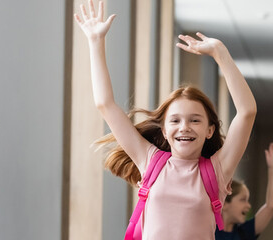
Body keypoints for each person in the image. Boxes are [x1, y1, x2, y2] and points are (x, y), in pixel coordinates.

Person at [75, 0, 256, 239]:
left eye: (195, 120)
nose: (184, 127)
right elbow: (105, 105)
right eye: (175, 121)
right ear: (163, 129)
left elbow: (246, 112)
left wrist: (221, 54)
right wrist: (95, 42)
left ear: (210, 130)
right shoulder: (150, 161)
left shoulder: (217, 170)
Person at [216, 141, 273, 240]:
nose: (248, 206)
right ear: (225, 204)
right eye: (243, 200)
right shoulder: (207, 231)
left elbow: (271, 205)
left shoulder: (244, 232)